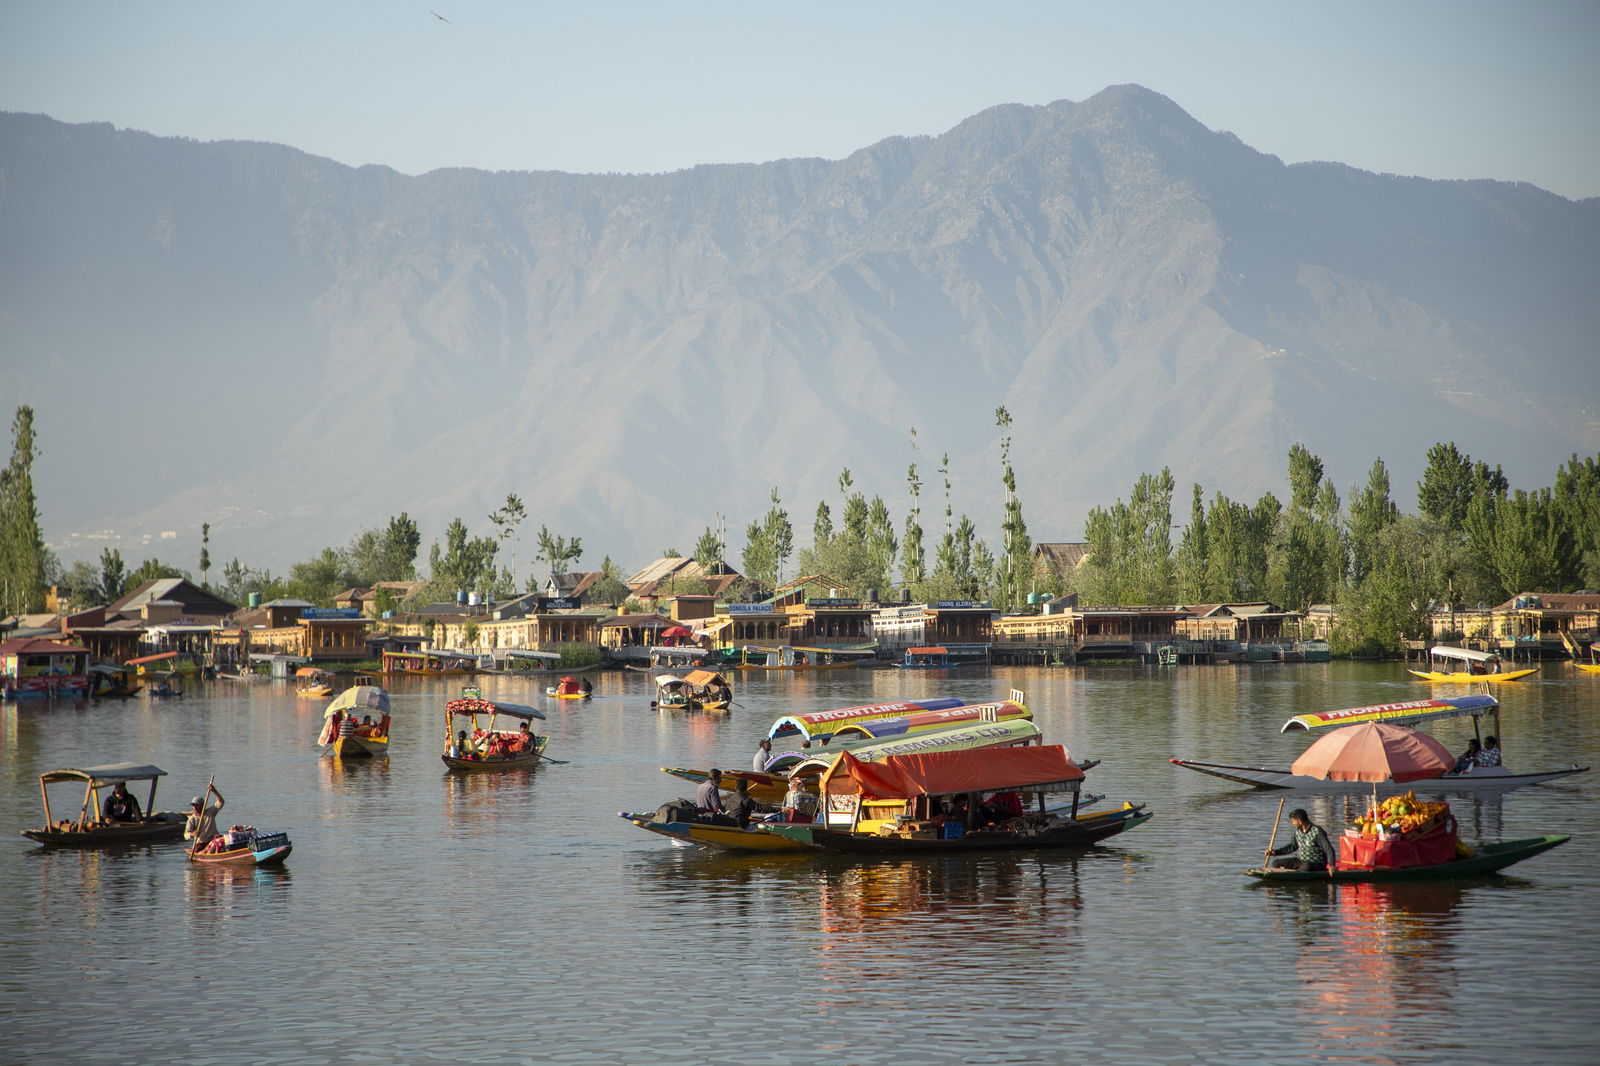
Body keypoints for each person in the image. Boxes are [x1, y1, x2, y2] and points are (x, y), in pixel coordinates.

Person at [1266, 808, 1334, 872]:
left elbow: (1329, 849)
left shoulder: (1317, 832)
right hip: (1301, 861)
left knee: (1307, 866)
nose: (1293, 823)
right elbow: (1292, 846)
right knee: (1276, 863)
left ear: (1300, 821)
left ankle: (1297, 872)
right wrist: (1275, 852)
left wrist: (1331, 865)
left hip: (1315, 863)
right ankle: (1297, 871)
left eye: (1293, 821)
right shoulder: (1298, 831)